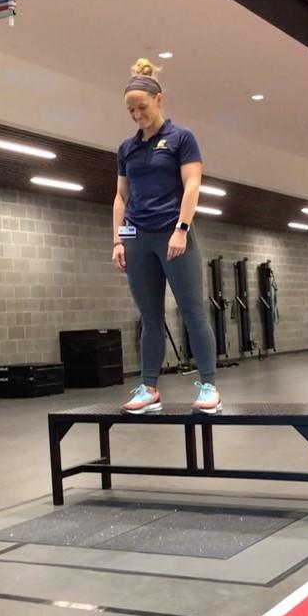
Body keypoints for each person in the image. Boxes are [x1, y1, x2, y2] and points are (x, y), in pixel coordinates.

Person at [112, 58, 221, 415]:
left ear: (160, 100)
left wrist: (182, 229)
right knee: (149, 316)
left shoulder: (181, 138)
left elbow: (193, 184)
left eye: (141, 107)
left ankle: (208, 385)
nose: (137, 115)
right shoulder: (127, 149)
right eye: (131, 110)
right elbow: (121, 197)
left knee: (192, 312)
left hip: (174, 236)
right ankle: (149, 388)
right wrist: (117, 240)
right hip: (137, 238)